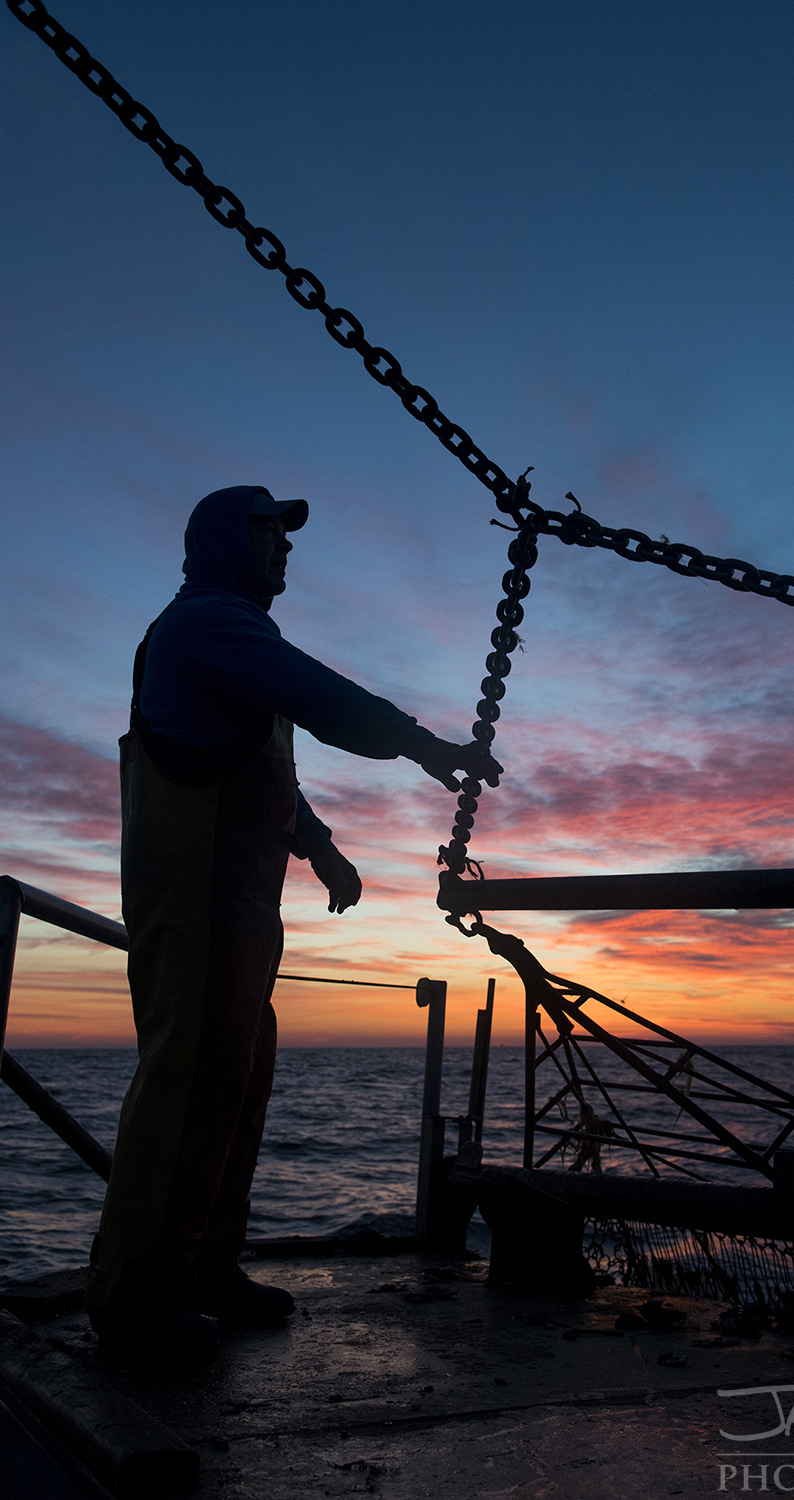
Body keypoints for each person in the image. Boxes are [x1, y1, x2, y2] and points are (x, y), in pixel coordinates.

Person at [87, 485, 500, 1356]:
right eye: (270, 533)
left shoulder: (231, 644)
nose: (285, 548)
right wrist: (424, 744)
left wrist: (317, 847)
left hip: (238, 912)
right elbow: (319, 695)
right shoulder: (207, 625)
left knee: (237, 1080)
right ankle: (137, 1298)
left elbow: (267, 763)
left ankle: (203, 1266)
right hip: (193, 904)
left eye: (285, 535)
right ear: (226, 544)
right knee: (191, 1081)